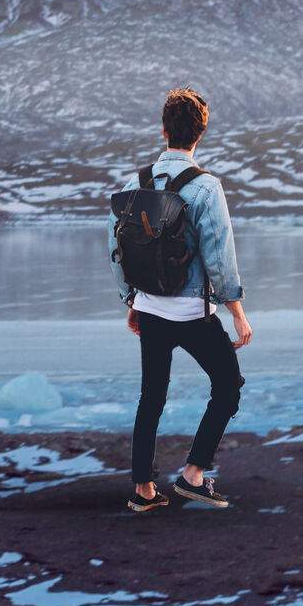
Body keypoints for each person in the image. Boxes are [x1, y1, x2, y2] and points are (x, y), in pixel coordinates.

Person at [111, 86, 252, 512]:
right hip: (192, 313)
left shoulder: (133, 185)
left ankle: (143, 491)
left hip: (151, 310)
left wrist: (131, 301)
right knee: (228, 387)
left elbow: (118, 251)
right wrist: (238, 313)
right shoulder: (207, 188)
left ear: (163, 131)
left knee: (152, 396)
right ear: (200, 134)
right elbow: (219, 256)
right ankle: (193, 475)